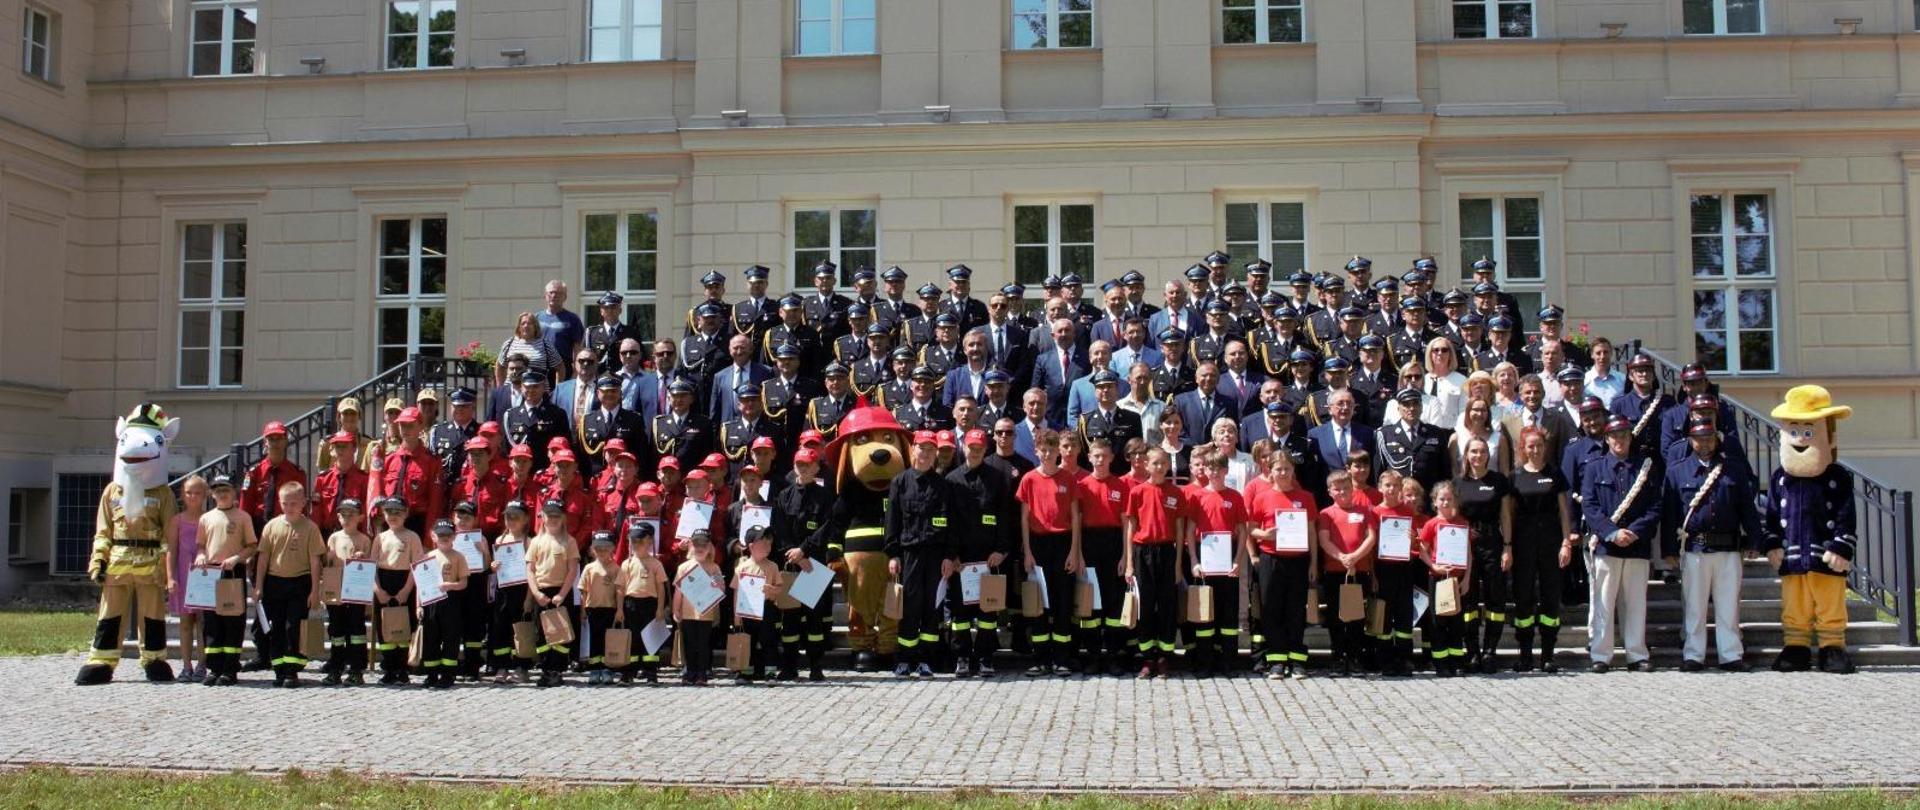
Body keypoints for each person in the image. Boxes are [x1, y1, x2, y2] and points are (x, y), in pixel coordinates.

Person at [1661, 420, 1764, 672]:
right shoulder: (1677, 471)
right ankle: (1693, 655)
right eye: (1699, 438)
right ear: (1690, 440)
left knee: (1728, 605)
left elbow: (1747, 510)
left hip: (1728, 548)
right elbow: (1670, 513)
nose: (1704, 443)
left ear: (1717, 439)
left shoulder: (1734, 470)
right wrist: (1669, 551)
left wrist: (1754, 540)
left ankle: (1730, 654)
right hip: (1695, 548)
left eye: (1709, 438)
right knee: (1694, 606)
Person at [1581, 417, 1663, 673]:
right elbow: (1590, 506)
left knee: (1636, 602)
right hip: (1608, 545)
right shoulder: (1595, 468)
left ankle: (1636, 654)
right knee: (1604, 602)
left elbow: (1654, 506)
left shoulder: (1644, 468)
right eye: (1615, 436)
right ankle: (1601, 655)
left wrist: (1635, 532)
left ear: (1630, 438)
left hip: (1636, 546)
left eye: (1625, 435)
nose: (1620, 440)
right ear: (1607, 439)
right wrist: (1612, 533)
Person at [884, 432, 958, 679]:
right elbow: (892, 521)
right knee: (909, 607)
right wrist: (893, 554)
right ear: (912, 449)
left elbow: (949, 523)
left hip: (936, 554)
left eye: (930, 450)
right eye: (921, 449)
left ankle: (926, 659)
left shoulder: (943, 485)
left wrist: (949, 555)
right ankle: (905, 659)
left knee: (931, 607)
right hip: (909, 553)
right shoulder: (900, 482)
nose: (925, 454)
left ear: (936, 453)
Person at [945, 431, 1016, 678]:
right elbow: (949, 520)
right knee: (960, 613)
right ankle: (962, 657)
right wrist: (951, 555)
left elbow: (1005, 517)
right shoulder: (951, 480)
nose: (974, 451)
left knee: (988, 612)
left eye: (979, 448)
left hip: (989, 558)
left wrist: (1002, 550)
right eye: (970, 446)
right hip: (961, 561)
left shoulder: (997, 478)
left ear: (985, 450)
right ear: (963, 447)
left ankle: (986, 657)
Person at [1016, 429, 1084, 677]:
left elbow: (1076, 518)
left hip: (1063, 542)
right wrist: (1028, 553)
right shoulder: (1029, 479)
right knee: (1038, 603)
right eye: (1043, 450)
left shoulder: (1068, 479)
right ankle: (1040, 658)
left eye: (1051, 451)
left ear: (1059, 452)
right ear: (1036, 451)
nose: (1047, 455)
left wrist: (1074, 552)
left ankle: (1061, 658)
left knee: (1062, 603)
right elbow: (1024, 518)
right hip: (1038, 544)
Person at [1508, 428, 1576, 673]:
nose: (1535, 450)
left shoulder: (1555, 473)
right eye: (1530, 446)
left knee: (1550, 599)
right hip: (1523, 542)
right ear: (1523, 449)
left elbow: (1563, 511)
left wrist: (1566, 542)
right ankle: (1525, 655)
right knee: (1523, 599)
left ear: (1545, 447)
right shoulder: (1514, 476)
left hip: (1551, 541)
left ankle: (1548, 655)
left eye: (1539, 446)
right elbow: (1509, 513)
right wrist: (1508, 545)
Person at [1249, 451, 1318, 679]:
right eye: (1278, 469)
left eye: (1286, 468)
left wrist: (1313, 563)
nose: (1282, 473)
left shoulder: (1306, 497)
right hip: (1271, 558)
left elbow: (1311, 533)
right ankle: (1277, 660)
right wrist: (1265, 535)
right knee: (1271, 608)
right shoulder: (1262, 497)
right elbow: (1250, 529)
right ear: (1270, 470)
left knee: (1296, 610)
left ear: (1293, 470)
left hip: (1299, 560)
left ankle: (1297, 660)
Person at [252, 482, 324, 688]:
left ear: (303, 503)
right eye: (285, 503)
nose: (289, 507)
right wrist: (258, 586)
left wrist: (315, 590)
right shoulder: (271, 526)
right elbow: (263, 558)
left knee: (294, 627)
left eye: (294, 503)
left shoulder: (310, 528)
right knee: (276, 628)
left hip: (299, 582)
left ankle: (292, 671)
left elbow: (315, 561)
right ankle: (279, 669)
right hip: (274, 582)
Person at [1452, 437, 1514, 673]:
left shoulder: (1498, 481)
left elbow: (1506, 515)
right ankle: (1472, 652)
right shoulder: (1458, 483)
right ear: (1466, 455)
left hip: (1492, 542)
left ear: (1489, 455)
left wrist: (1508, 546)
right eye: (1473, 451)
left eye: (1482, 451)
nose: (1478, 456)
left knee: (1495, 598)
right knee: (1467, 600)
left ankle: (1490, 650)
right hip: (1465, 544)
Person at [1123, 448, 1186, 678]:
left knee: (1167, 606)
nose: (1159, 467)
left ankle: (1164, 658)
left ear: (1168, 466)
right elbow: (1131, 528)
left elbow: (1179, 531)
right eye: (1155, 463)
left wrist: (1178, 563)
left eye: (1163, 463)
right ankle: (1147, 658)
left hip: (1167, 553)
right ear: (1146, 465)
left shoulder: (1176, 493)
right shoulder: (1137, 492)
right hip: (1143, 553)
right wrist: (1129, 563)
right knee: (1146, 607)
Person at [1184, 447, 1247, 677]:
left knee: (1228, 614)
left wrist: (1238, 561)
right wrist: (1193, 560)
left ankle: (1228, 662)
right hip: (1204, 557)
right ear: (1204, 470)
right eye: (1210, 468)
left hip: (1228, 557)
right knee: (1204, 614)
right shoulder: (1197, 497)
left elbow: (1242, 531)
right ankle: (1204, 663)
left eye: (1219, 468)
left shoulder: (1235, 496)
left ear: (1226, 470)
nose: (1214, 472)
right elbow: (1190, 531)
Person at [1072, 439, 1131, 674]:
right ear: (1089, 457)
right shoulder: (1082, 485)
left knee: (1113, 604)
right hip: (1090, 545)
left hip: (1114, 544)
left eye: (1104, 456)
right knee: (1091, 605)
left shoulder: (1120, 486)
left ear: (1111, 458)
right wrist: (1079, 555)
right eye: (1096, 455)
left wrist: (1125, 556)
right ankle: (1094, 655)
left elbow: (1127, 525)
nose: (1100, 460)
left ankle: (1114, 656)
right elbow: (1076, 524)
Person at [194, 475, 255, 686]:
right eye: (218, 490)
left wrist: (237, 558)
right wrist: (200, 555)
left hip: (232, 571)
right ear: (212, 494)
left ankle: (230, 668)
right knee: (211, 623)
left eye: (226, 490)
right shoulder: (206, 518)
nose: (222, 494)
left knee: (233, 622)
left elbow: (251, 546)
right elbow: (201, 545)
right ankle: (214, 667)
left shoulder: (242, 517)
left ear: (234, 492)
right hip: (210, 572)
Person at [1368, 471, 1421, 675]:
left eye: (1396, 486)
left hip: (1404, 568)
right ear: (1380, 487)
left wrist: (1414, 539)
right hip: (1382, 569)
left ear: (1401, 489)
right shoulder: (1374, 512)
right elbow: (1372, 548)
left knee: (1404, 615)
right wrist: (1372, 574)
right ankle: (1385, 659)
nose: (1391, 489)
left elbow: (1415, 543)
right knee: (1384, 613)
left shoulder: (1407, 512)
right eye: (1387, 485)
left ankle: (1404, 658)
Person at [1418, 482, 1473, 677]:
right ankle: (1441, 662)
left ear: (1455, 501)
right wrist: (1433, 566)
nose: (1446, 502)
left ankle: (1456, 661)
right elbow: (1421, 549)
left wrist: (1467, 578)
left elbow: (1468, 553)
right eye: (1442, 499)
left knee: (1457, 622)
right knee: (1438, 621)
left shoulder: (1462, 523)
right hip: (1438, 578)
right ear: (1434, 502)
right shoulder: (1431, 524)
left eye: (1449, 499)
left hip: (1457, 580)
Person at [527, 499, 582, 687]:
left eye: (556, 516)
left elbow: (572, 570)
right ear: (542, 517)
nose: (552, 519)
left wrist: (562, 594)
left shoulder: (569, 541)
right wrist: (535, 593)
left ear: (564, 518)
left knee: (560, 635)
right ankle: (545, 668)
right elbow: (530, 569)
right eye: (549, 515)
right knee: (541, 634)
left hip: (560, 592)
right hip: (541, 593)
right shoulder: (536, 541)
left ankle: (557, 670)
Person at [370, 497, 422, 685]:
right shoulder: (380, 538)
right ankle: (389, 667)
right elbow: (371, 567)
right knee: (384, 629)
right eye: (389, 512)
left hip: (403, 581)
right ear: (384, 515)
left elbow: (416, 566)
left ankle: (402, 667)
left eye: (398, 512)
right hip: (384, 581)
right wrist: (378, 590)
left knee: (404, 627)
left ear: (406, 514)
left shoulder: (412, 537)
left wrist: (407, 590)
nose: (393, 516)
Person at [416, 520, 471, 689]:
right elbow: (420, 584)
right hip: (431, 602)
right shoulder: (427, 556)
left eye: (448, 535)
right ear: (433, 537)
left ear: (454, 536)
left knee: (450, 638)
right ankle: (431, 674)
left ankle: (448, 674)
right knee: (431, 638)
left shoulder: (458, 556)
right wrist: (418, 605)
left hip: (450, 601)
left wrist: (450, 586)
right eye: (441, 535)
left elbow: (463, 583)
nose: (444, 538)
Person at [486, 501, 536, 684]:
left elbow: (533, 572)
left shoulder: (530, 542)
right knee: (501, 628)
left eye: (516, 517)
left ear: (526, 519)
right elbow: (494, 568)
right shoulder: (499, 541)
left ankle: (522, 666)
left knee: (521, 630)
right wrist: (493, 567)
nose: (512, 520)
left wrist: (529, 598)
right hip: (503, 591)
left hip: (521, 591)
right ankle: (502, 666)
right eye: (508, 516)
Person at [167, 475, 210, 684]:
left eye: (197, 493)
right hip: (183, 575)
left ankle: (202, 664)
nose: (193, 496)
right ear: (183, 495)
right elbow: (171, 551)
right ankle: (186, 665)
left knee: (202, 623)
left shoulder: (209, 518)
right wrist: (170, 577)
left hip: (202, 577)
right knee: (185, 623)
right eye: (189, 492)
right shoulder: (177, 520)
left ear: (205, 495)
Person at [617, 522, 670, 684]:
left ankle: (651, 672)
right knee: (632, 638)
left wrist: (660, 608)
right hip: (630, 604)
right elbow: (620, 588)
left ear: (649, 541)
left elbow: (661, 588)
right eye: (633, 541)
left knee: (650, 639)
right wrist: (619, 609)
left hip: (650, 604)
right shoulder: (627, 564)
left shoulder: (655, 564)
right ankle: (629, 672)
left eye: (640, 541)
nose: (635, 545)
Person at [733, 527, 786, 683]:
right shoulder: (741, 568)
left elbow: (780, 588)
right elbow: (736, 592)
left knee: (769, 640)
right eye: (762, 544)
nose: (767, 547)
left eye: (769, 544)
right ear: (751, 546)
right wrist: (736, 616)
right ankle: (746, 672)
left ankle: (770, 672)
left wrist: (772, 590)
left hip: (767, 608)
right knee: (748, 640)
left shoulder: (773, 566)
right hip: (747, 610)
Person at [674, 531, 724, 685]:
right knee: (689, 644)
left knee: (703, 644)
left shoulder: (714, 568)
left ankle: (702, 673)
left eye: (704, 544)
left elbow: (721, 588)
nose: (700, 548)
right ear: (690, 546)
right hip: (688, 613)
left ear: (710, 547)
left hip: (706, 614)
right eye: (696, 544)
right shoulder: (683, 567)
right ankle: (690, 672)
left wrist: (717, 586)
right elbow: (678, 590)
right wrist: (676, 610)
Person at [574, 531, 624, 685]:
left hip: (610, 608)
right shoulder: (589, 568)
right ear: (592, 550)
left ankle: (608, 669)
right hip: (592, 609)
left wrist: (620, 610)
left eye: (606, 548)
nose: (602, 551)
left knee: (608, 640)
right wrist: (582, 610)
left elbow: (619, 590)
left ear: (612, 549)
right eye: (598, 548)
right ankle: (595, 669)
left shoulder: (616, 568)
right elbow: (583, 591)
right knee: (594, 639)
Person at [498, 311, 562, 387]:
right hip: (511, 393)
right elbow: (499, 366)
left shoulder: (545, 345)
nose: (526, 326)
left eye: (529, 323)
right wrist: (500, 388)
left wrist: (558, 390)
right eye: (523, 323)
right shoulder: (509, 344)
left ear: (535, 327)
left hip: (538, 393)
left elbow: (560, 368)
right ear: (519, 327)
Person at [537, 280, 587, 373]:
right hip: (539, 368)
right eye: (551, 292)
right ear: (545, 295)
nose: (554, 296)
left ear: (565, 297)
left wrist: (576, 372)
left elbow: (577, 349)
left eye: (558, 293)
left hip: (563, 369)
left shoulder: (573, 319)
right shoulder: (536, 318)